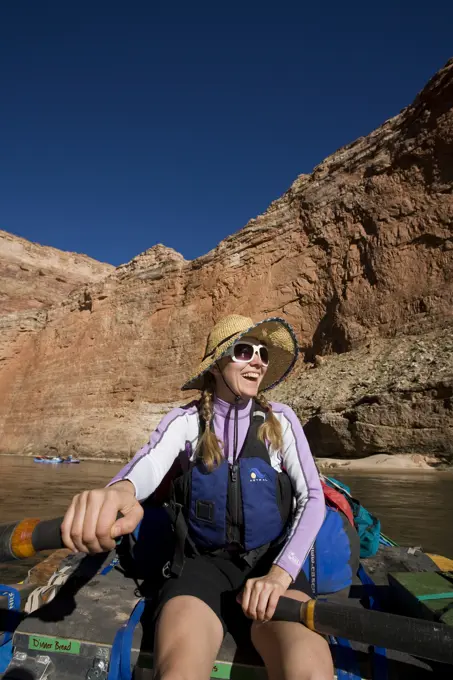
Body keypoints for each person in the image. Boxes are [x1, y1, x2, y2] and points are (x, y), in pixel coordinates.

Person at [62, 315, 336, 680]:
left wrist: (280, 574)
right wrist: (119, 491)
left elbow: (312, 498)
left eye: (263, 354)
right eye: (244, 351)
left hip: (270, 567)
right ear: (217, 366)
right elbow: (148, 464)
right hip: (200, 568)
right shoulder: (185, 422)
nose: (258, 361)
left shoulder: (281, 422)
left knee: (310, 672)